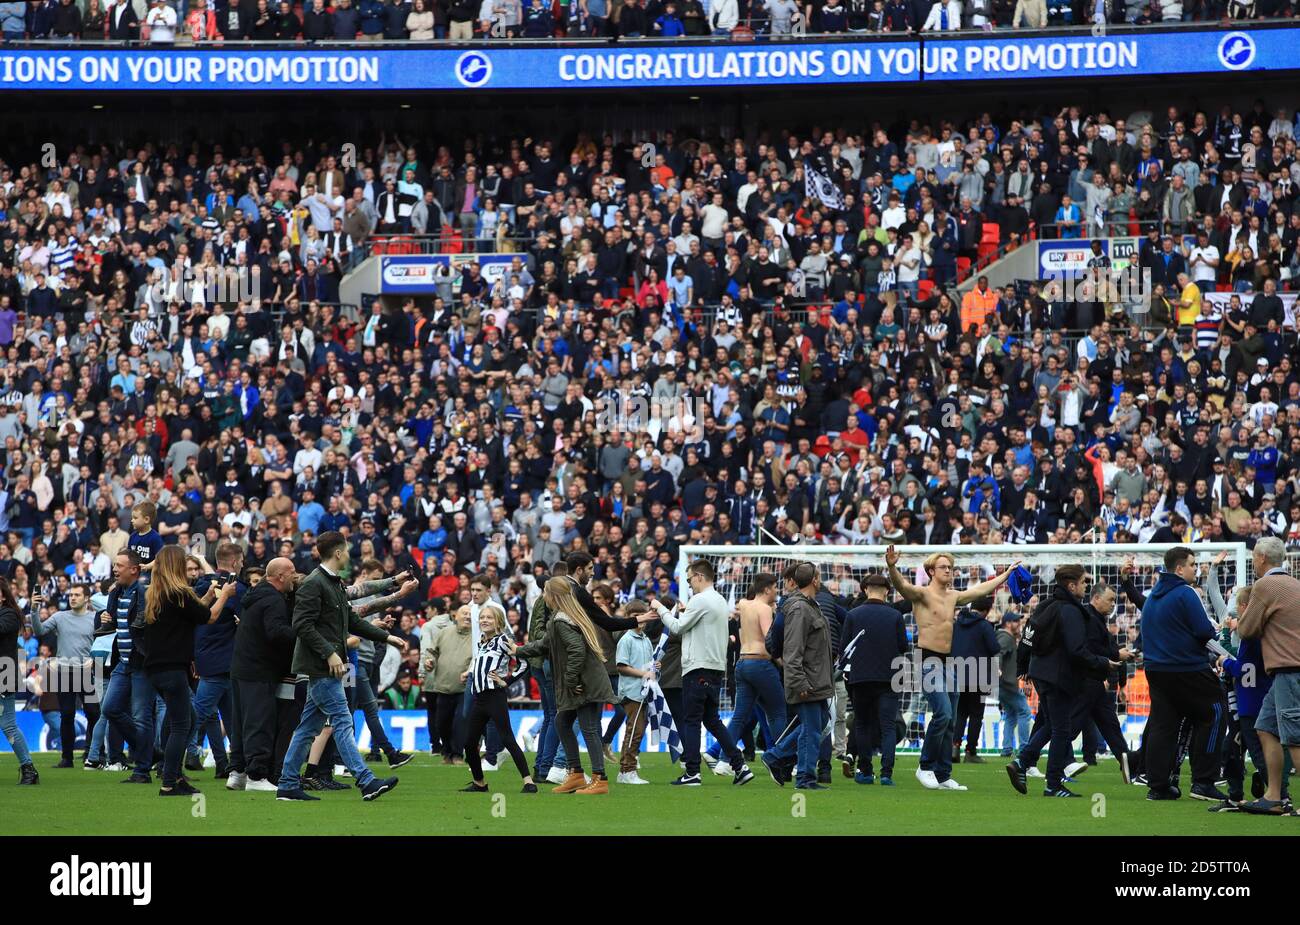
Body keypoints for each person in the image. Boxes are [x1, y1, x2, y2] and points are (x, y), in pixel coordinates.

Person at [275, 531, 408, 802]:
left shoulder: (333, 583)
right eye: (346, 550)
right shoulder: (315, 583)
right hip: (322, 667)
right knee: (343, 720)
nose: (349, 554)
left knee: (307, 728)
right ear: (337, 553)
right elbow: (301, 625)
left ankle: (287, 784)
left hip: (327, 665)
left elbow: (351, 621)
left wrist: (387, 637)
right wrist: (330, 654)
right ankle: (366, 780)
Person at [885, 546, 1020, 790]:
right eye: (944, 567)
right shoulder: (922, 594)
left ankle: (943, 774)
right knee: (943, 714)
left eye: (950, 567)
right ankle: (925, 766)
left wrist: (1006, 574)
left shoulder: (953, 596)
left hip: (949, 663)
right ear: (931, 571)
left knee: (951, 721)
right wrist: (892, 567)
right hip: (928, 661)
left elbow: (980, 589)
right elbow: (902, 587)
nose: (949, 570)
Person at [142, 545, 237, 796]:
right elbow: (209, 618)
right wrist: (225, 594)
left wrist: (208, 595)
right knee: (182, 725)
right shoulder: (180, 594)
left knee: (188, 720)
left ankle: (174, 777)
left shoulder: (158, 594)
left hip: (156, 669)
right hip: (173, 669)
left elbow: (195, 612)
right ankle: (169, 781)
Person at [1137, 546, 1228, 803]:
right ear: (1179, 569)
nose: (1195, 568)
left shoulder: (1154, 594)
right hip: (1186, 668)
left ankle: (1158, 786)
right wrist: (1223, 651)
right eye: (1192, 564)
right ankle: (1203, 782)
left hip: (1156, 669)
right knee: (1215, 712)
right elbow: (1203, 631)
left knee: (1163, 725)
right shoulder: (1185, 593)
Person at [653, 559, 754, 787]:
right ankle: (740, 766)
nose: (689, 585)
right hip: (715, 668)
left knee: (691, 721)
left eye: (689, 580)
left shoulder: (700, 600)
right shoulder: (718, 600)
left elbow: (677, 628)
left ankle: (692, 772)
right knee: (712, 720)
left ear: (699, 576)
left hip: (697, 667)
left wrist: (660, 609)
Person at [515, 577, 615, 794]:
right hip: (584, 680)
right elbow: (544, 644)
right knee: (562, 722)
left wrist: (570, 681)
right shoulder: (564, 618)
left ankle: (601, 779)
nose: (543, 596)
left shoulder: (561, 620)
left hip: (584, 682)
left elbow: (576, 651)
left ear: (553, 596)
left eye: (545, 592)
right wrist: (517, 650)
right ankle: (576, 774)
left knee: (588, 729)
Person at [1237, 536, 1300, 815]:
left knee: (1295, 737)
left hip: (1288, 670)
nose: (1253, 561)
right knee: (1265, 726)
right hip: (1288, 671)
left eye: (1254, 557)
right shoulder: (1295, 584)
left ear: (1262, 558)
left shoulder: (1264, 585)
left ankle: (1277, 796)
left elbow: (1246, 629)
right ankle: (1274, 796)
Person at [702, 572, 785, 776]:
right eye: (775, 587)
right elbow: (769, 640)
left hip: (742, 663)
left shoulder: (744, 604)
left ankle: (724, 760)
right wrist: (783, 662)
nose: (777, 591)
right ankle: (783, 759)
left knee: (739, 716)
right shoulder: (765, 609)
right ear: (766, 589)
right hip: (760, 663)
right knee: (777, 712)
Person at [228, 557, 298, 791]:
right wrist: (302, 635)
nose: (295, 578)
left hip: (240, 667)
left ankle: (237, 772)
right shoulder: (274, 600)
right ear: (280, 576)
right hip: (259, 669)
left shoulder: (254, 596)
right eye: (292, 573)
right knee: (259, 721)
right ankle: (256, 777)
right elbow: (276, 633)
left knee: (240, 722)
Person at [760, 562, 831, 790]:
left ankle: (775, 756)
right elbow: (793, 649)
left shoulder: (810, 606)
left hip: (815, 678)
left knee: (819, 722)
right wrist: (799, 681)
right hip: (807, 680)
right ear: (814, 580)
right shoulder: (800, 609)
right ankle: (805, 778)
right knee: (811, 729)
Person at [458, 605, 537, 793]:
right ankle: (479, 783)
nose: (484, 620)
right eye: (482, 617)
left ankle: (529, 782)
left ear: (499, 622)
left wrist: (506, 681)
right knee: (470, 743)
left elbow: (524, 662)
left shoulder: (503, 640)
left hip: (494, 697)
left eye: (489, 618)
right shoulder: (482, 642)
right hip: (480, 699)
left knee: (508, 738)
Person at [839, 573, 908, 785]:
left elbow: (844, 648)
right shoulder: (895, 616)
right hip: (888, 677)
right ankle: (886, 773)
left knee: (862, 724)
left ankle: (865, 771)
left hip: (860, 677)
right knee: (887, 726)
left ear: (865, 589)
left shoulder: (853, 615)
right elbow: (903, 646)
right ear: (887, 591)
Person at [185, 542, 245, 779]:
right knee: (198, 715)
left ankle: (229, 765)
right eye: (241, 561)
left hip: (205, 657)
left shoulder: (201, 586)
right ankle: (167, 761)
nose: (242, 565)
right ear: (234, 561)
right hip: (223, 661)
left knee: (227, 717)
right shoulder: (236, 589)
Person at [31, 583, 101, 769]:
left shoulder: (96, 619)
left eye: (77, 595)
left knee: (94, 713)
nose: (72, 598)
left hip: (88, 672)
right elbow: (39, 631)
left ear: (87, 598)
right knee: (67, 714)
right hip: (64, 672)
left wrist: (95, 660)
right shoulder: (60, 617)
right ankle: (67, 758)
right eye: (71, 595)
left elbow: (103, 643)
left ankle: (91, 753)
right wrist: (34, 610)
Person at [101, 551, 156, 784]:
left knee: (142, 716)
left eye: (119, 566)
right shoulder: (117, 592)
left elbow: (145, 622)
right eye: (114, 565)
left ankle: (142, 769)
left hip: (140, 663)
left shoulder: (144, 592)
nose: (115, 569)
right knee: (110, 708)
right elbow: (111, 621)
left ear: (134, 569)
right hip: (122, 662)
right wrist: (105, 619)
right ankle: (149, 753)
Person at [950, 595, 999, 764]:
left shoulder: (956, 624)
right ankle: (970, 751)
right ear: (986, 611)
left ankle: (954, 747)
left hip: (957, 674)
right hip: (979, 676)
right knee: (976, 714)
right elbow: (994, 648)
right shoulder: (984, 625)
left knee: (960, 712)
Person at [424, 605, 473, 765]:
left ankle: (458, 755)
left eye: (470, 614)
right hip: (443, 686)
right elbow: (432, 652)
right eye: (464, 613)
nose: (467, 617)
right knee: (442, 724)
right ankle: (446, 752)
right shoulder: (444, 633)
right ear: (455, 616)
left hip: (465, 688)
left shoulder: (477, 637)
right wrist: (428, 662)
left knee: (460, 722)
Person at [0, 575, 37, 784]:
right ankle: (28, 768)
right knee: (8, 725)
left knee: (9, 725)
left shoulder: (9, 615)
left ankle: (29, 768)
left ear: (3, 596)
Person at [613, 600, 654, 785]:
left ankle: (627, 769)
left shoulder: (646, 640)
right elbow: (621, 666)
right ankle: (627, 770)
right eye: (633, 617)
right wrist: (643, 673)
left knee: (638, 730)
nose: (639, 620)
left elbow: (647, 665)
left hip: (644, 692)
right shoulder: (626, 639)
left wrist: (654, 667)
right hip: (631, 692)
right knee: (634, 730)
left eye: (641, 616)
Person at [996, 612, 1030, 759]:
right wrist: (997, 668)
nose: (1019, 624)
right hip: (1007, 683)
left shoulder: (1004, 636)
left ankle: (1007, 748)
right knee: (1024, 712)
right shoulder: (1006, 637)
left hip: (1003, 684)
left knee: (1011, 715)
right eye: (1016, 621)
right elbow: (998, 654)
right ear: (1008, 623)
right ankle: (1024, 748)